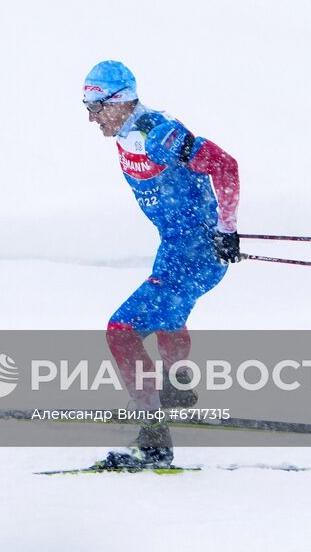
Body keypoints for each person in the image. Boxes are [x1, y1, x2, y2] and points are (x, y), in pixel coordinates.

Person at [82, 60, 241, 469]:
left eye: (96, 105)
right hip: (176, 250)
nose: (90, 116)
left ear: (120, 101)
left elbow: (225, 165)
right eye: (86, 105)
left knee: (122, 331)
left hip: (195, 254)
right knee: (169, 317)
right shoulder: (127, 133)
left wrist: (227, 229)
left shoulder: (157, 133)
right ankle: (175, 390)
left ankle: (152, 438)